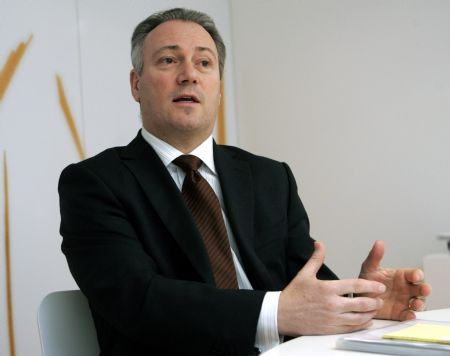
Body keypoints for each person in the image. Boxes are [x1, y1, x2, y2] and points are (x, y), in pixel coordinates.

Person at [58, 7, 431, 356]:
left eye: (204, 62)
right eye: (169, 60)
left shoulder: (270, 177)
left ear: (218, 87)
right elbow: (137, 300)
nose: (189, 74)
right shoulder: (94, 183)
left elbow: (304, 282)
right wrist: (277, 312)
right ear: (136, 84)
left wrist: (361, 301)